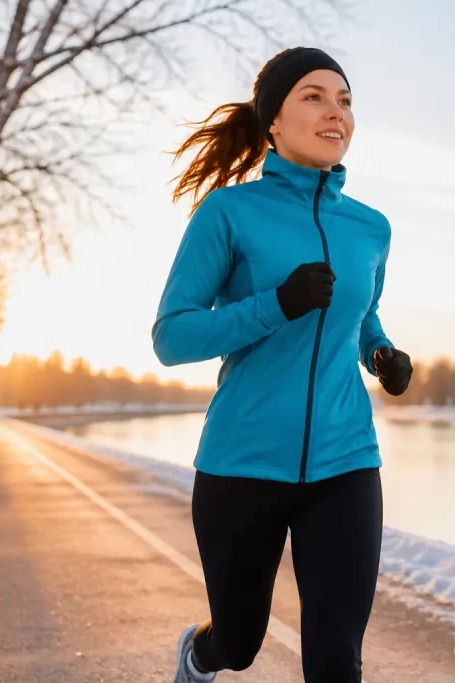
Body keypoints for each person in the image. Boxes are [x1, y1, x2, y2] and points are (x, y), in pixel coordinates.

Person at [151, 47, 413, 683]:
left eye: (345, 100)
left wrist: (380, 353)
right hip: (242, 462)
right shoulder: (229, 213)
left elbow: (360, 317)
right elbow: (172, 336)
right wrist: (275, 306)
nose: (337, 113)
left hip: (346, 459)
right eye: (315, 96)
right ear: (272, 119)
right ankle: (198, 655)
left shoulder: (370, 228)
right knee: (239, 643)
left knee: (334, 658)